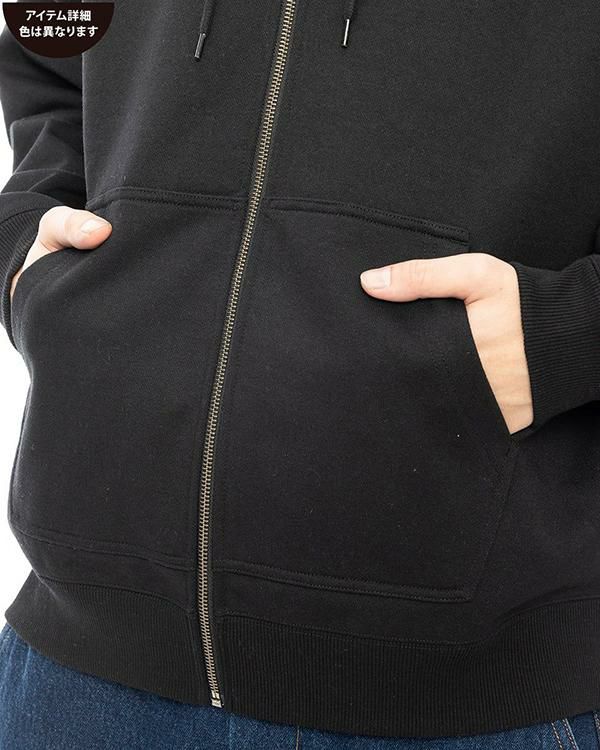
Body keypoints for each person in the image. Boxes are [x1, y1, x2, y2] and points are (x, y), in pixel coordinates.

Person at [0, 1, 600, 748]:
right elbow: (49, 44)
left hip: (470, 701)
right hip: (73, 675)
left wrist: (564, 333)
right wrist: (25, 244)